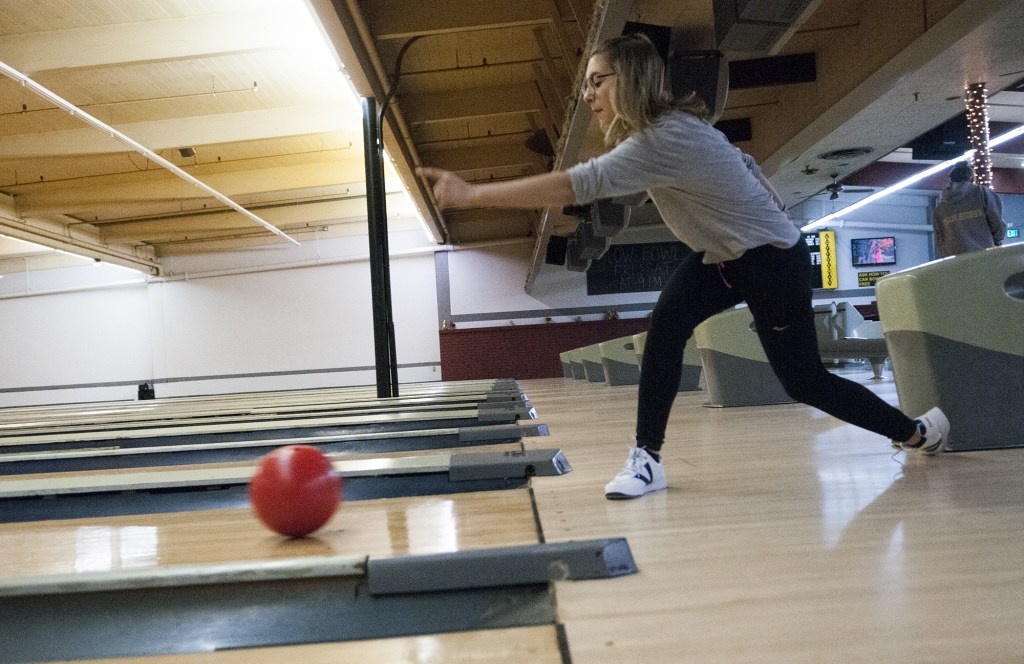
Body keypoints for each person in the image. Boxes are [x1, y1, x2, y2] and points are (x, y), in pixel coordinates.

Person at [418, 33, 950, 500]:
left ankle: (916, 432)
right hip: (723, 259)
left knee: (804, 382)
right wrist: (757, 180)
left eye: (596, 81)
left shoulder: (662, 139)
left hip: (772, 261)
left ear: (627, 79)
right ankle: (647, 458)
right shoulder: (674, 130)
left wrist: (472, 194)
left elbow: (575, 185)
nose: (589, 95)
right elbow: (735, 156)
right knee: (667, 328)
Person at [932, 161, 1006, 258]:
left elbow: (940, 240)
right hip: (984, 257)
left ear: (951, 179)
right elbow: (996, 223)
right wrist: (996, 240)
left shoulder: (940, 208)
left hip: (955, 263)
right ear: (971, 178)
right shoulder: (981, 193)